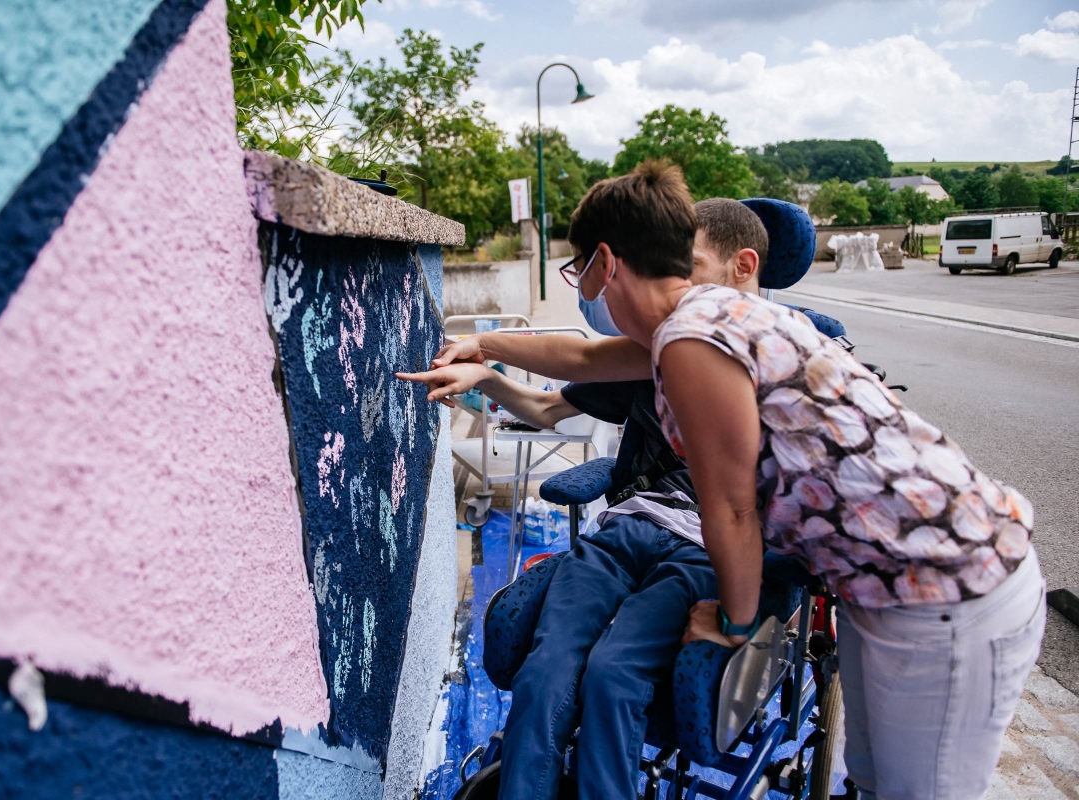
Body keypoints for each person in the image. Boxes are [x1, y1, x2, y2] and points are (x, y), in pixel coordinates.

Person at [520, 159, 1041, 800]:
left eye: (582, 273)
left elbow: (732, 509)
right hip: (886, 585)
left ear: (607, 263)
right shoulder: (710, 313)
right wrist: (485, 351)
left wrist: (736, 624)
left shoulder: (691, 341)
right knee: (875, 783)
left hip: (945, 586)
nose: (587, 290)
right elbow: (585, 356)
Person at [397, 195, 779, 799]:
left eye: (688, 265)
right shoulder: (661, 346)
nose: (672, 280)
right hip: (629, 526)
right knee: (546, 667)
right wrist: (487, 368)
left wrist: (739, 611)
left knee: (611, 676)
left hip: (703, 545)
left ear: (743, 266)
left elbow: (738, 511)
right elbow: (569, 375)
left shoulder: (776, 354)